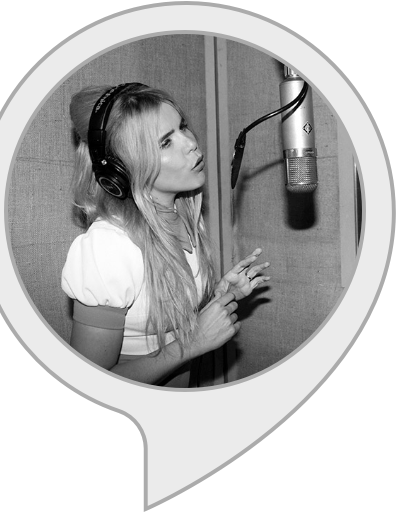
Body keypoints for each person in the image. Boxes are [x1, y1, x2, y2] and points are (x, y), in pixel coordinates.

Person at [61, 82, 270, 385]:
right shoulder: (108, 248)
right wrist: (192, 343)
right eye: (165, 142)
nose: (190, 143)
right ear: (122, 169)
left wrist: (221, 296)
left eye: (182, 127)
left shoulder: (186, 217)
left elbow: (166, 314)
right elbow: (88, 384)